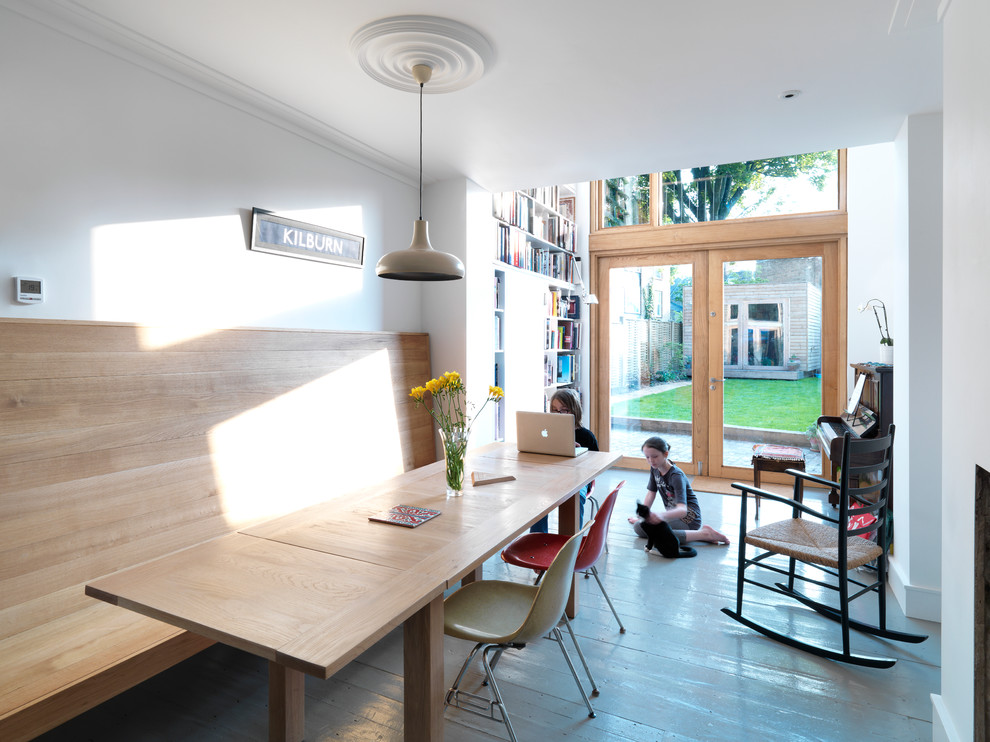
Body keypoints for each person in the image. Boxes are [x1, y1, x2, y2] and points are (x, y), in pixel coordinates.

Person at [628, 436, 730, 547]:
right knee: (639, 527)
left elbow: (682, 510)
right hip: (673, 516)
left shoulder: (676, 476)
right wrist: (643, 517)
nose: (651, 460)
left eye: (655, 456)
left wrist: (660, 515)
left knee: (659, 534)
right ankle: (697, 535)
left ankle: (704, 534)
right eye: (647, 457)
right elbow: (651, 493)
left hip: (689, 519)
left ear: (665, 454)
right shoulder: (655, 468)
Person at [530, 388, 598, 533]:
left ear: (575, 411)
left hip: (577, 480)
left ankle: (569, 542)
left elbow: (595, 465)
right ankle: (538, 539)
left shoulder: (586, 436)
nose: (558, 414)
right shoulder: (547, 433)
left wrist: (576, 452)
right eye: (554, 410)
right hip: (551, 477)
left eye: (564, 410)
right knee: (536, 497)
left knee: (576, 497)